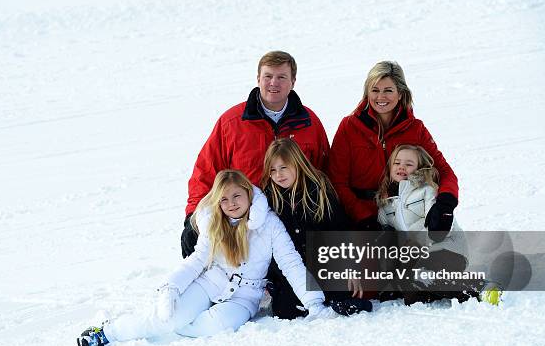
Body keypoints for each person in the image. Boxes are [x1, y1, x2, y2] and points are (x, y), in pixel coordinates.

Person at [77, 170, 333, 346]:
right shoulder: (214, 224)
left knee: (212, 326)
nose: (231, 204)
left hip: (245, 296)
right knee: (167, 318)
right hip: (210, 283)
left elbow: (291, 263)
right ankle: (108, 332)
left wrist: (314, 302)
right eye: (224, 199)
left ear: (248, 194)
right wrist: (172, 286)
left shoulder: (269, 224)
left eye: (236, 197)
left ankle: (170, 326)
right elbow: (198, 260)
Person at [181, 51, 330, 258]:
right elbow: (206, 171)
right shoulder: (232, 122)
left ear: (293, 82)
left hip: (295, 218)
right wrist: (193, 217)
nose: (273, 83)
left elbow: (324, 172)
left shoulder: (309, 122)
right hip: (244, 220)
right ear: (258, 78)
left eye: (281, 77)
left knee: (324, 279)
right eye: (268, 76)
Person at [328, 61, 458, 240]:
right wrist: (363, 216)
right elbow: (337, 181)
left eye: (388, 90)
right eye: (375, 90)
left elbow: (445, 172)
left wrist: (445, 204)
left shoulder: (415, 128)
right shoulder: (349, 127)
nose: (381, 97)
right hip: (361, 217)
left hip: (408, 211)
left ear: (401, 93)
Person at [261, 139, 372, 318]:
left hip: (323, 261)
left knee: (344, 298)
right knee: (286, 310)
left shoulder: (318, 190)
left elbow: (339, 230)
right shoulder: (270, 197)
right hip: (294, 267)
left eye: (284, 167)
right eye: (273, 170)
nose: (278, 175)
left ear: (297, 163)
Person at [375, 145, 486, 305]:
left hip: (446, 248)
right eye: (397, 163)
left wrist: (416, 245)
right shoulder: (385, 204)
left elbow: (438, 227)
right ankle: (434, 289)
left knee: (423, 275)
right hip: (415, 256)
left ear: (420, 168)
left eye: (408, 164)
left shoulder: (427, 190)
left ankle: (479, 287)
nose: (401, 167)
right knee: (411, 297)